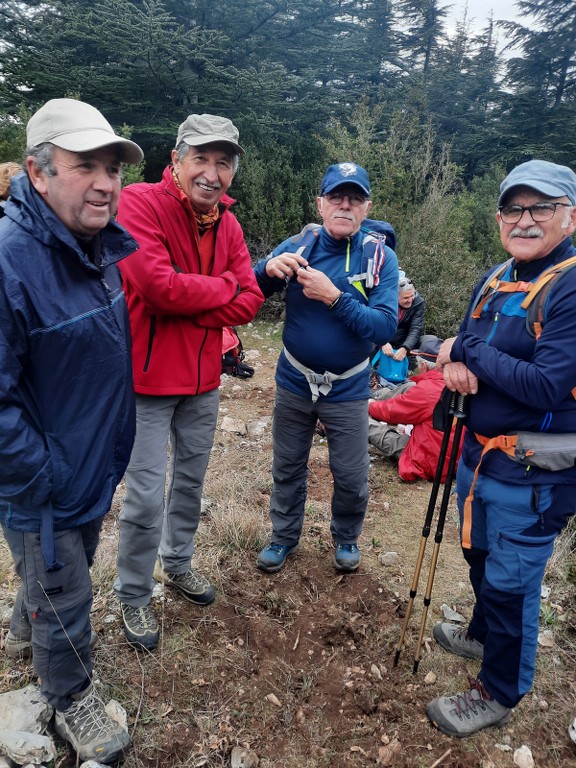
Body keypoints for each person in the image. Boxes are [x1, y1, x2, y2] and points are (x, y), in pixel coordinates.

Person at [0, 98, 143, 763]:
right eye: (85, 164)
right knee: (68, 591)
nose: (106, 182)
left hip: (89, 462)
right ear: (38, 172)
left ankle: (26, 622)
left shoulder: (93, 246)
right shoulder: (9, 263)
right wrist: (42, 476)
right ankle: (69, 693)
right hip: (46, 481)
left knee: (62, 569)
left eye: (112, 167)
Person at [426, 159, 576, 738]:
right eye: (515, 208)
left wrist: (471, 355)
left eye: (542, 207)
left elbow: (545, 384)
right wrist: (459, 359)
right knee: (480, 556)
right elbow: (465, 344)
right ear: (499, 218)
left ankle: (499, 689)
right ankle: (484, 634)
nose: (526, 219)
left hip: (537, 470)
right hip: (479, 452)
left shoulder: (569, 286)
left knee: (513, 580)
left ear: (569, 215)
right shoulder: (499, 276)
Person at [113, 113, 263, 652]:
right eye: (201, 158)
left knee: (191, 485)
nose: (212, 172)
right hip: (147, 382)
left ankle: (177, 565)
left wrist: (198, 302)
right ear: (175, 160)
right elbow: (154, 287)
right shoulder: (138, 204)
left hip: (203, 380)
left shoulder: (229, 223)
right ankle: (132, 593)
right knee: (145, 497)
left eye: (223, 162)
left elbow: (250, 299)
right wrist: (218, 293)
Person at [253, 162, 399, 574]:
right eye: (336, 197)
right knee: (287, 465)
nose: (345, 205)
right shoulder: (301, 245)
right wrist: (266, 271)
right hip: (294, 381)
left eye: (354, 198)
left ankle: (347, 537)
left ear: (366, 207)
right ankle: (283, 537)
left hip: (349, 388)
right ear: (321, 204)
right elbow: (250, 287)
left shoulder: (379, 257)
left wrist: (335, 297)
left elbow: (386, 325)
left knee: (351, 475)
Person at [368, 350, 463, 482]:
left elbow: (391, 412)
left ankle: (360, 413)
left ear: (423, 365)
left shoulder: (428, 389)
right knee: (410, 386)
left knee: (370, 426)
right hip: (458, 459)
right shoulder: (459, 383)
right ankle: (375, 398)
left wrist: (369, 407)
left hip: (430, 460)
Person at [379, 275, 424, 365]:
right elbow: (374, 324)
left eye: (412, 296)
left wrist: (405, 348)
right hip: (383, 335)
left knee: (426, 341)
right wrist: (382, 342)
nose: (410, 300)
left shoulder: (418, 302)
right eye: (406, 298)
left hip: (403, 338)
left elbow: (416, 328)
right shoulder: (383, 301)